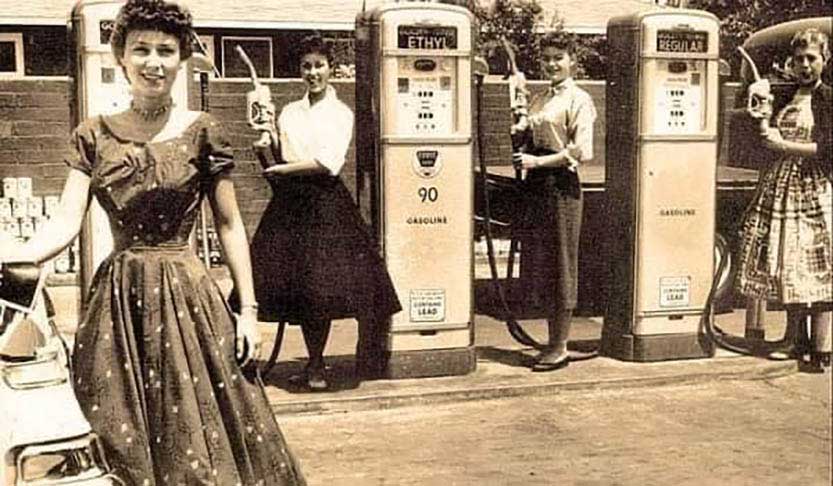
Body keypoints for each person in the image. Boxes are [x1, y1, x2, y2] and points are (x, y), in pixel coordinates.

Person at [0, 1, 307, 484]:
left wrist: (248, 312)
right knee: (118, 433)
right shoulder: (93, 136)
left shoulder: (203, 131)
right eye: (140, 49)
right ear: (120, 56)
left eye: (166, 50)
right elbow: (63, 221)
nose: (153, 61)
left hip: (191, 301)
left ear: (181, 58)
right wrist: (13, 256)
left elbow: (229, 225)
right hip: (119, 306)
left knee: (199, 434)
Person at [235, 34, 401, 391]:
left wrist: (281, 170)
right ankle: (253, 357)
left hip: (325, 204)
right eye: (306, 66)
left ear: (331, 69)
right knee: (282, 281)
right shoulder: (290, 111)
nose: (313, 73)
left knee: (321, 287)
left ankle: (318, 364)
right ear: (300, 71)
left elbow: (328, 163)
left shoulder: (341, 113)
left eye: (319, 65)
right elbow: (281, 153)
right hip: (290, 204)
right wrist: (266, 140)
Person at [736, 28, 832, 373]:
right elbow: (762, 106)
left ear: (825, 60)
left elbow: (827, 149)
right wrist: (758, 96)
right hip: (782, 184)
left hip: (814, 186)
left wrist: (783, 146)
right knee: (786, 260)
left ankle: (822, 345)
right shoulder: (787, 92)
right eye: (800, 59)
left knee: (816, 265)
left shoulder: (829, 98)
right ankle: (794, 339)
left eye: (812, 59)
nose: (806, 65)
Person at [511, 35, 596, 372]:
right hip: (537, 187)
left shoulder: (579, 99)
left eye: (558, 58)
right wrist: (519, 121)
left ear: (572, 60)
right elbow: (529, 134)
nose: (551, 64)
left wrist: (537, 163)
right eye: (546, 58)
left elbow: (581, 152)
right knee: (542, 263)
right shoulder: (540, 97)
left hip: (560, 185)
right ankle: (551, 342)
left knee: (561, 263)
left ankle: (559, 346)